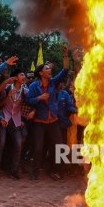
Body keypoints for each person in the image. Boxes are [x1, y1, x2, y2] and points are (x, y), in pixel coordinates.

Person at [26, 45, 69, 181]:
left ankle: (57, 171)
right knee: (38, 148)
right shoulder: (33, 86)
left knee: (59, 146)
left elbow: (65, 71)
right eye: (47, 69)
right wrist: (39, 98)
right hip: (39, 122)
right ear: (41, 73)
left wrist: (66, 56)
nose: (50, 70)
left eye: (50, 69)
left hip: (53, 121)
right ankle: (35, 173)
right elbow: (28, 100)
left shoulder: (52, 83)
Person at [0, 69, 29, 180]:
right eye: (22, 74)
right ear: (15, 78)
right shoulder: (7, 88)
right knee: (1, 142)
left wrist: (30, 113)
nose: (24, 76)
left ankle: (14, 170)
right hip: (4, 117)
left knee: (18, 143)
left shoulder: (25, 91)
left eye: (24, 74)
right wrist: (8, 96)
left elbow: (31, 101)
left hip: (16, 119)